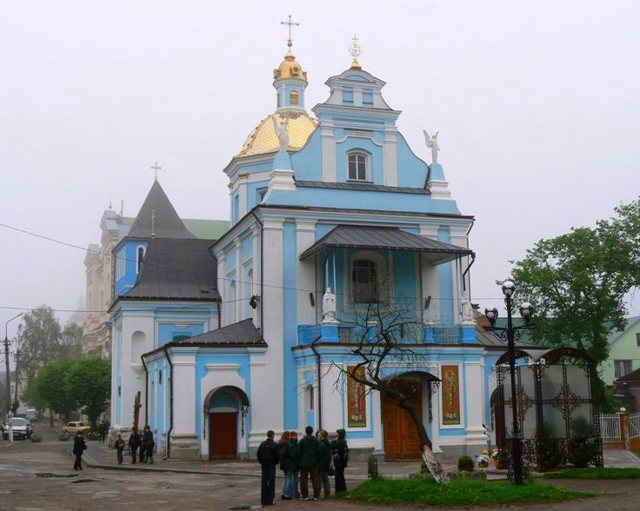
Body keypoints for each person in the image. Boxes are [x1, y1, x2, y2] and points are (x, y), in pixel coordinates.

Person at [257, 430, 280, 507]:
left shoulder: (262, 444)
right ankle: (270, 500)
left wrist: (261, 461)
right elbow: (277, 456)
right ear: (273, 435)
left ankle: (263, 500)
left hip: (264, 465)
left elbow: (258, 454)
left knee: (264, 482)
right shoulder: (275, 445)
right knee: (271, 482)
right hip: (271, 465)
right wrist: (275, 462)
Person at [298, 425, 320, 501]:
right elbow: (319, 451)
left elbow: (299, 452)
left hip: (303, 463)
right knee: (315, 479)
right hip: (314, 462)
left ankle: (305, 496)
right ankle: (316, 496)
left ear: (306, 431)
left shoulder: (302, 441)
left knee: (304, 479)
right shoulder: (316, 441)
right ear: (312, 431)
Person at [281, 431, 300, 500]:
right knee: (290, 479)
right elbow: (293, 455)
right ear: (290, 436)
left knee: (287, 479)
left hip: (286, 464)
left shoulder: (284, 443)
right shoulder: (290, 444)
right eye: (294, 436)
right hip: (291, 464)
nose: (295, 437)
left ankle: (285, 493)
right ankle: (287, 494)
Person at [332, 429, 349, 493]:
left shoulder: (340, 442)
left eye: (338, 433)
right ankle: (342, 489)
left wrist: (334, 441)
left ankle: (339, 490)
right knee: (340, 475)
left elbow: (333, 447)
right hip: (342, 461)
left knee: (338, 476)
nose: (337, 435)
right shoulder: (344, 441)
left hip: (339, 461)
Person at [317, 429, 332, 498]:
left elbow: (319, 454)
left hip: (321, 464)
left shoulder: (321, 444)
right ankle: (327, 493)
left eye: (319, 434)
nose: (318, 436)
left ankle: (317, 494)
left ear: (321, 435)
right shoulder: (328, 443)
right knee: (325, 479)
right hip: (326, 463)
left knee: (319, 480)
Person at [277, 431, 291, 499]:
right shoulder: (288, 444)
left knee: (285, 478)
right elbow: (290, 454)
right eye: (289, 435)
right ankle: (287, 494)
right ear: (287, 436)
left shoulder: (280, 443)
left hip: (282, 463)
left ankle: (283, 493)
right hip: (288, 463)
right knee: (288, 479)